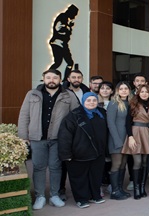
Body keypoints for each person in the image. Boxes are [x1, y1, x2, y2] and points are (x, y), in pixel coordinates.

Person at [19, 69, 79, 209]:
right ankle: (40, 196)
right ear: (43, 79)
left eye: (55, 78)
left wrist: (72, 138)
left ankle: (54, 195)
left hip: (59, 138)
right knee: (39, 167)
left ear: (60, 79)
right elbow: (24, 115)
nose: (51, 80)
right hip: (37, 138)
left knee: (55, 167)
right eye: (48, 77)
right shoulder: (32, 94)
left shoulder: (68, 95)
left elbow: (75, 117)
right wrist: (23, 137)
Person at [58, 92, 108, 208]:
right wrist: (66, 154)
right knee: (79, 178)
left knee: (95, 176)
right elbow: (65, 136)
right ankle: (81, 199)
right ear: (83, 102)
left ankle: (95, 196)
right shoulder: (74, 115)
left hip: (98, 152)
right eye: (88, 100)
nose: (92, 103)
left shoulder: (101, 113)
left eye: (94, 100)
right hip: (79, 153)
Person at [121, 84, 149, 200]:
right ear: (138, 93)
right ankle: (136, 188)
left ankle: (142, 187)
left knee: (145, 162)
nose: (144, 93)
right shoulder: (133, 104)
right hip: (135, 132)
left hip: (147, 132)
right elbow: (128, 122)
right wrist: (130, 136)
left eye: (146, 91)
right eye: (142, 91)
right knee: (138, 161)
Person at [106, 82, 133, 200]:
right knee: (116, 164)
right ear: (117, 91)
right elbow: (110, 123)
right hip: (116, 138)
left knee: (123, 164)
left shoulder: (131, 103)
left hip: (127, 138)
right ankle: (114, 191)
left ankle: (120, 188)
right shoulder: (114, 103)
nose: (123, 91)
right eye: (121, 89)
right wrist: (117, 140)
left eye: (126, 88)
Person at [48, 4, 79, 78]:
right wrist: (68, 27)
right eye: (74, 14)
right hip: (58, 42)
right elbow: (59, 28)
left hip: (63, 43)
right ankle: (49, 75)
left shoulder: (66, 18)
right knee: (59, 62)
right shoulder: (63, 16)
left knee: (69, 63)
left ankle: (65, 79)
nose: (74, 17)